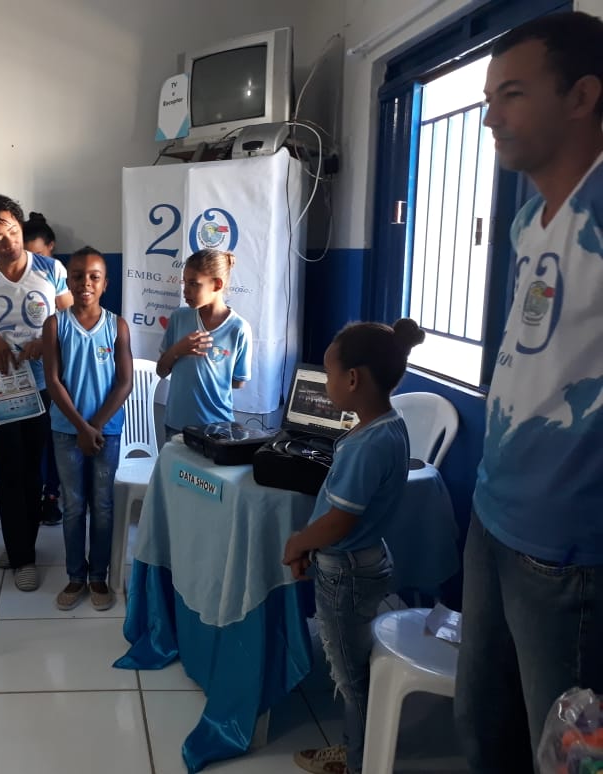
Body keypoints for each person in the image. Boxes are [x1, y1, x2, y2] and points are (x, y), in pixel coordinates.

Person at [455, 12, 603, 771]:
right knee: (484, 732)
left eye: (511, 95)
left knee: (566, 756)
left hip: (567, 550)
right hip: (492, 514)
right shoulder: (526, 224)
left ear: (581, 96)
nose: (491, 117)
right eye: (489, 98)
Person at [282, 319, 425, 774]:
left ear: (352, 379)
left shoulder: (367, 445)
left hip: (345, 571)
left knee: (351, 675)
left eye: (328, 374)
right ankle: (358, 749)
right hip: (365, 560)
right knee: (354, 660)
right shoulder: (388, 426)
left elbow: (340, 520)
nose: (325, 384)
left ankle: (358, 760)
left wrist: (298, 542)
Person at [0, 194, 73, 592]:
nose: (8, 241)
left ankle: (23, 547)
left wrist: (46, 340)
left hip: (43, 384)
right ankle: (21, 553)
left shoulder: (51, 269)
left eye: (13, 231)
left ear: (20, 226)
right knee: (9, 470)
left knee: (32, 470)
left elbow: (71, 318)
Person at [42, 247, 133, 611]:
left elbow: (124, 382)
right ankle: (75, 575)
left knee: (104, 505)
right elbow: (53, 381)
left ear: (105, 283)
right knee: (74, 505)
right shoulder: (55, 324)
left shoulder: (117, 325)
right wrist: (81, 427)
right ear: (68, 281)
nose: (85, 283)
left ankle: (99, 576)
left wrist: (94, 426)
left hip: (106, 432)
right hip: (67, 431)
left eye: (94, 276)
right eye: (78, 276)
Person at [156, 248, 252, 442]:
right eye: (185, 282)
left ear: (217, 284)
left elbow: (238, 381)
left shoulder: (238, 328)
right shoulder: (179, 318)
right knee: (174, 463)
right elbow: (161, 370)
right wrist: (178, 350)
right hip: (177, 424)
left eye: (193, 284)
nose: (185, 290)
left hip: (217, 426)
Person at [23, 211, 63, 526]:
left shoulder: (58, 277)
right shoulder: (12, 279)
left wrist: (44, 341)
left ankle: (51, 496)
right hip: (20, 375)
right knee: (27, 443)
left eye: (38, 254)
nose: (32, 262)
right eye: (27, 255)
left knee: (55, 437)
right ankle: (28, 498)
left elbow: (70, 321)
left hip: (54, 373)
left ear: (51, 247)